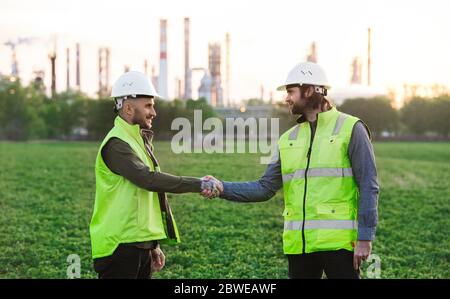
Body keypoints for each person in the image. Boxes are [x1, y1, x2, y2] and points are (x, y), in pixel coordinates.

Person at [202, 62, 379, 279]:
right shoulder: (288, 139)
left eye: (290, 92)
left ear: (309, 90)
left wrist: (365, 237)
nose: (286, 99)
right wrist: (222, 187)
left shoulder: (352, 129)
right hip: (299, 246)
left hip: (339, 244)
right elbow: (264, 187)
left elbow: (369, 185)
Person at [90, 71, 219, 279]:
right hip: (119, 246)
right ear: (129, 107)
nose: (154, 112)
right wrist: (198, 184)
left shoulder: (138, 140)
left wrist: (153, 245)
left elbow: (142, 202)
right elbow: (147, 180)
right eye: (148, 105)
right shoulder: (117, 143)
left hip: (138, 246)